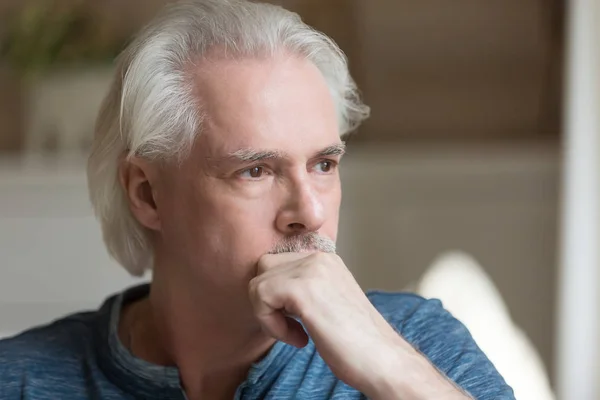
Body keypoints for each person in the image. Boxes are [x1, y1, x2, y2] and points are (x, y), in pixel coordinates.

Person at [0, 1, 515, 399]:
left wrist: (390, 369)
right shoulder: (21, 379)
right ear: (147, 193)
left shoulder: (418, 342)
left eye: (323, 164)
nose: (310, 213)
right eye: (256, 170)